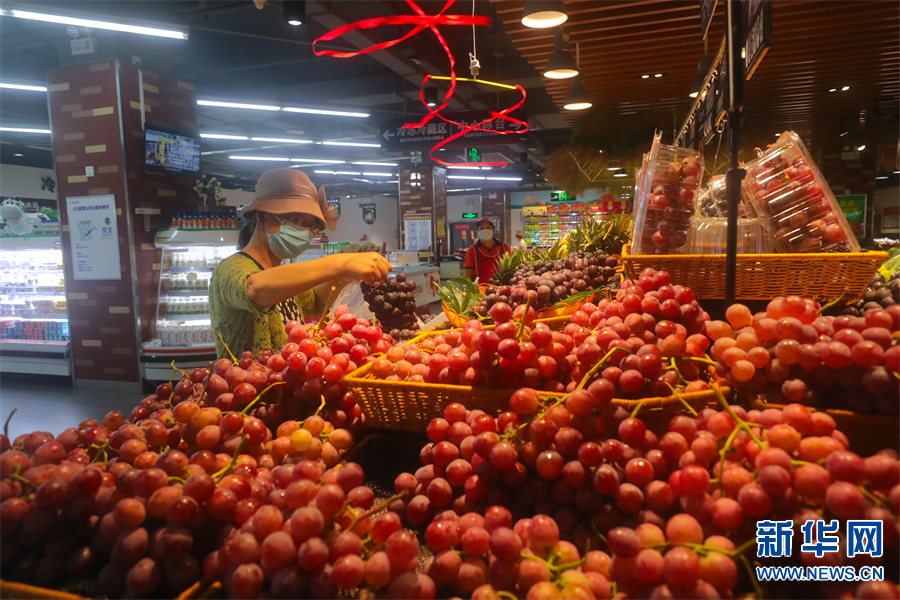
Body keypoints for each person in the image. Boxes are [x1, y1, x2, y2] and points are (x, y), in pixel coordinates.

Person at [209, 169, 391, 359]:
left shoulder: (280, 273)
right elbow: (255, 290)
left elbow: (316, 301)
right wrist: (338, 264)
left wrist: (344, 274)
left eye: (309, 225)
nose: (304, 231)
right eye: (296, 219)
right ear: (262, 216)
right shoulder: (229, 269)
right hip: (248, 384)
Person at [463, 218, 509, 282]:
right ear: (477, 232)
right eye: (482, 228)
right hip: (480, 288)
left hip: (502, 287)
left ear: (493, 231)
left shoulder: (503, 247)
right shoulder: (472, 250)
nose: (485, 230)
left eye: (488, 227)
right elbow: (468, 274)